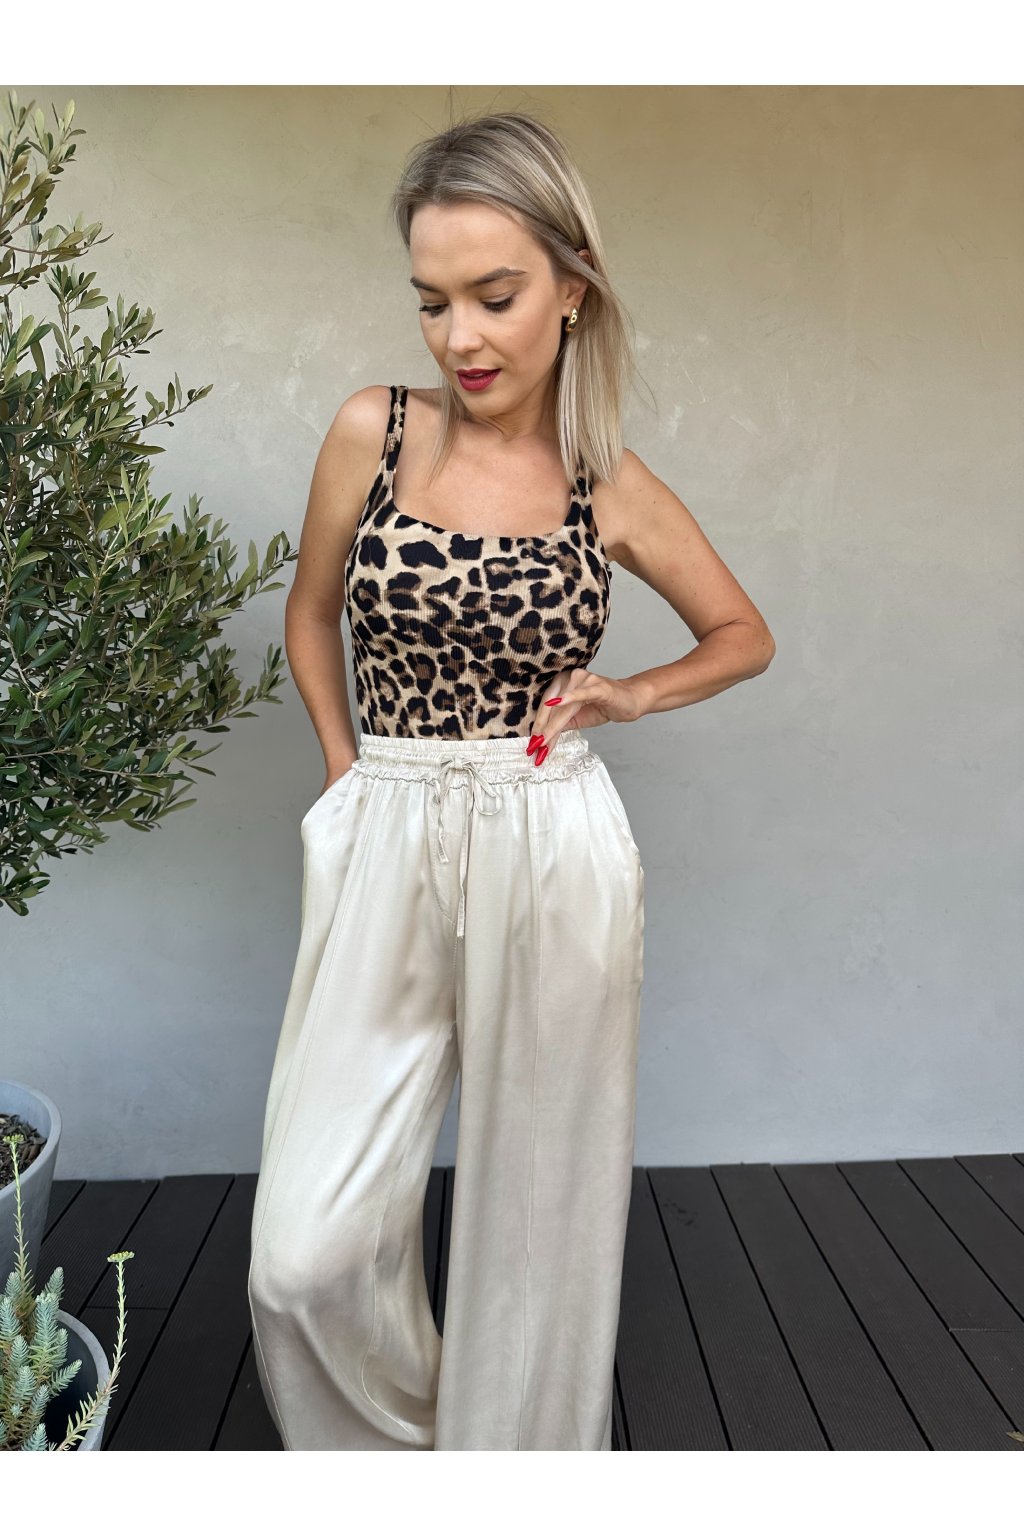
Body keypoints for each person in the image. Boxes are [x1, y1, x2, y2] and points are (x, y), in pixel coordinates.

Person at [247, 110, 775, 1452]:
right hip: (390, 819)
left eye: (495, 295)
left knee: (538, 1223)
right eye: (432, 302)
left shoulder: (608, 488)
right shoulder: (373, 431)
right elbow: (311, 612)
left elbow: (742, 634)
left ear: (573, 290)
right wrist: (346, 771)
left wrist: (630, 693)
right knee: (302, 1256)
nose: (459, 338)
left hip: (548, 834)